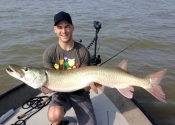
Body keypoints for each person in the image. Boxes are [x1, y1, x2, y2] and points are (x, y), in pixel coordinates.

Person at [41, 11, 101, 125]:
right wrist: (43, 87)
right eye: (60, 27)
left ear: (72, 27)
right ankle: (58, 121)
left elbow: (86, 88)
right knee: (54, 115)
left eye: (67, 27)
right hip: (61, 93)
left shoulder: (83, 52)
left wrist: (93, 84)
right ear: (55, 29)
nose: (63, 31)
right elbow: (50, 87)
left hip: (81, 95)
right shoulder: (49, 54)